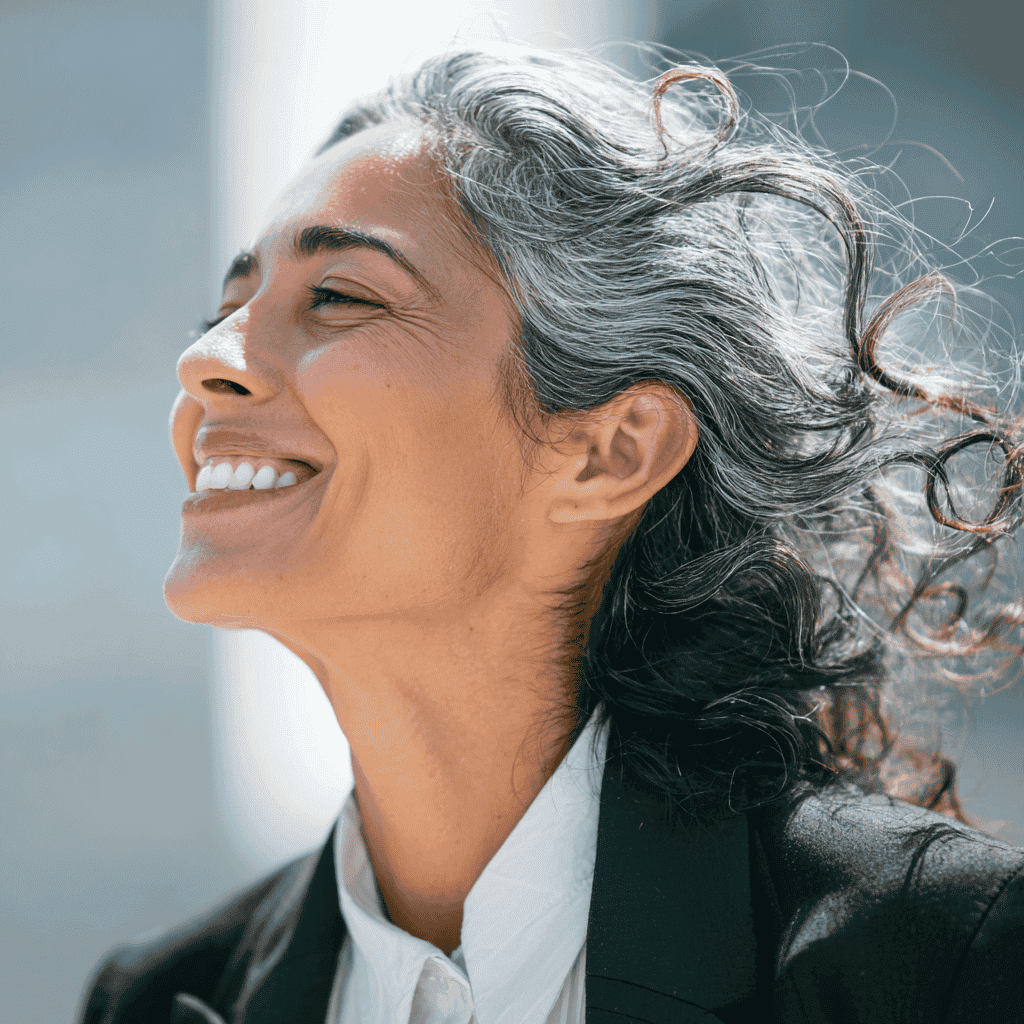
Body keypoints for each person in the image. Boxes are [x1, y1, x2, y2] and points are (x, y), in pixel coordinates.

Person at [80, 43, 1023, 1024]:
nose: (204, 359)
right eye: (226, 308)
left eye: (339, 297)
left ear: (609, 451)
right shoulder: (153, 1000)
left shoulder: (941, 961)